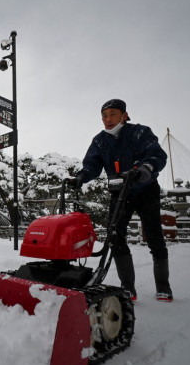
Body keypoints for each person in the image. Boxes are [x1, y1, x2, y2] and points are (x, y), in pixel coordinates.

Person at [68, 98, 173, 302]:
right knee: (115, 237)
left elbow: (156, 154)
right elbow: (92, 165)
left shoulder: (140, 132)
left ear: (124, 115)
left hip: (145, 190)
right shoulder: (100, 140)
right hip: (119, 193)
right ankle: (127, 287)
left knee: (154, 236)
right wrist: (81, 177)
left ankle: (163, 286)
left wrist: (145, 169)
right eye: (104, 116)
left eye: (113, 114)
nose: (108, 119)